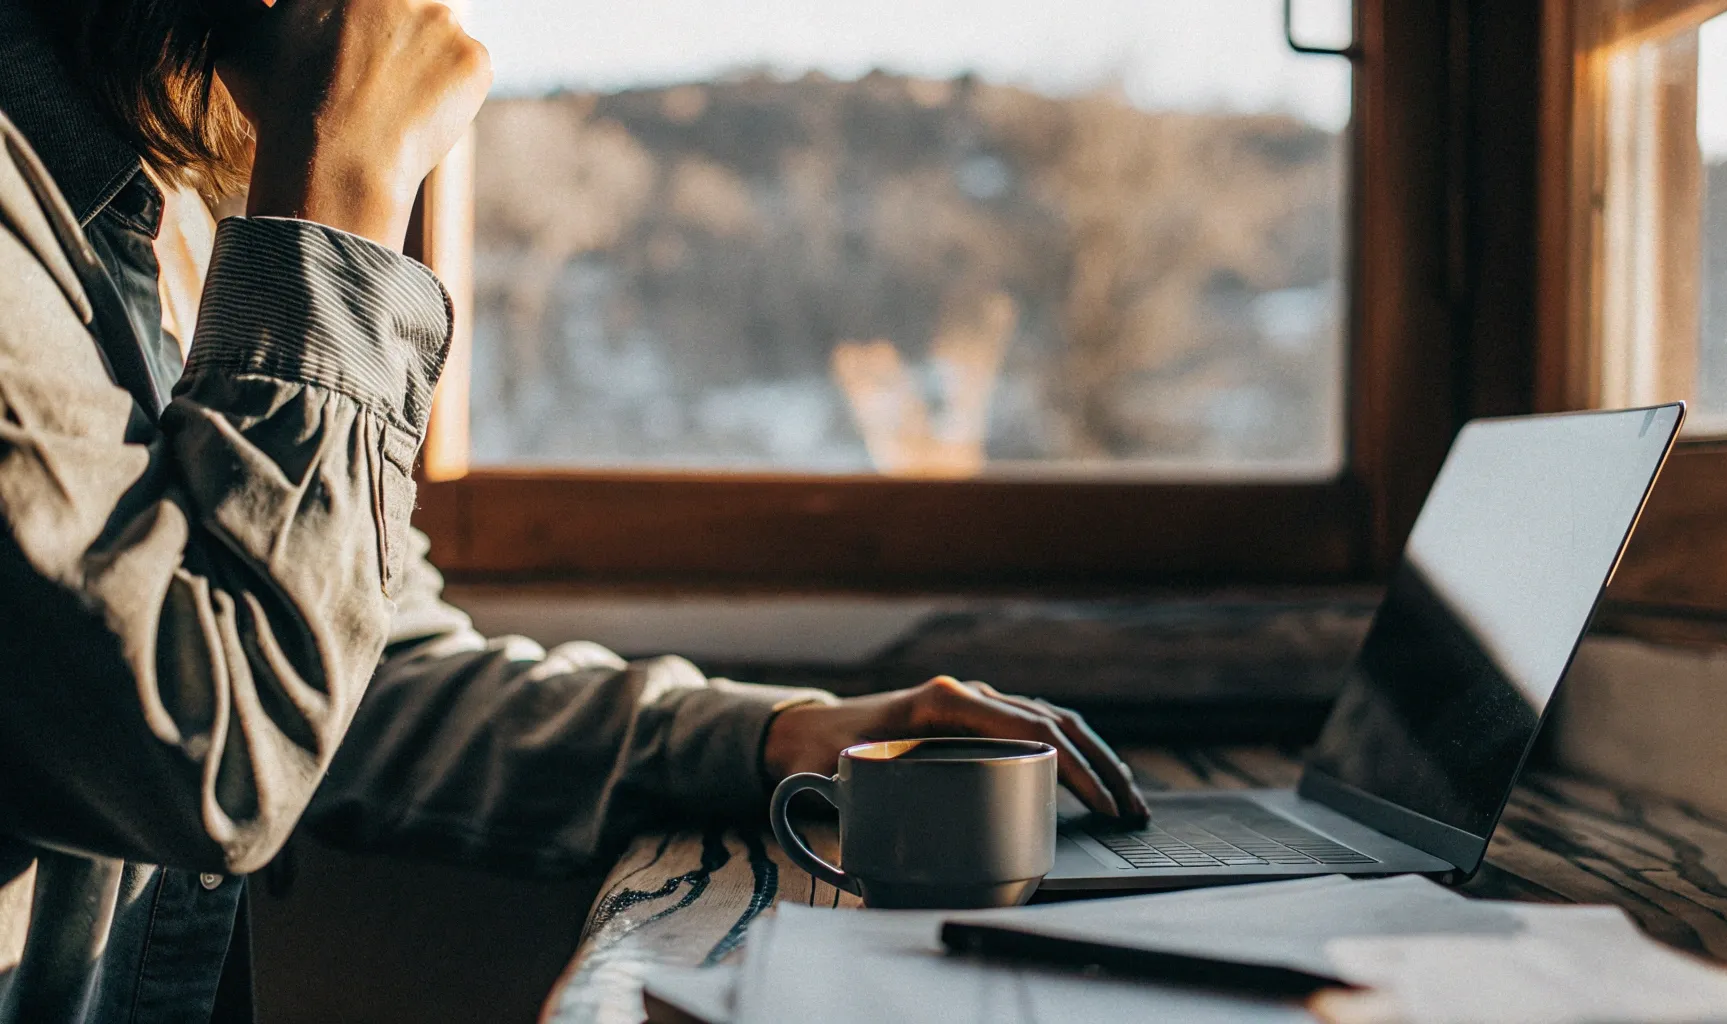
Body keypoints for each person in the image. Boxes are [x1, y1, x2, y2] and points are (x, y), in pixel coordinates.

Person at [0, 1, 1148, 1021]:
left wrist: (774, 734)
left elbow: (363, 671)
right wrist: (341, 203)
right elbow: (214, 747)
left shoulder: (148, 200)